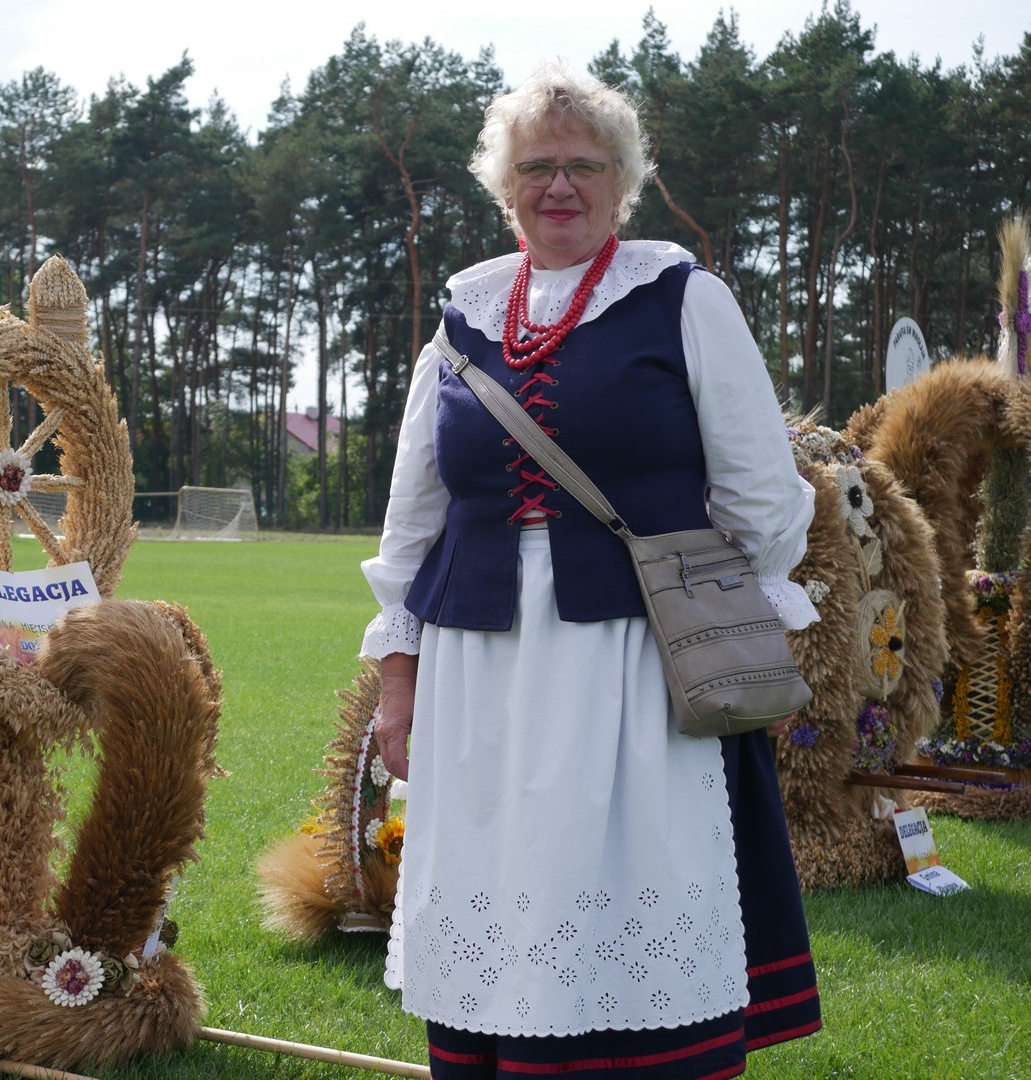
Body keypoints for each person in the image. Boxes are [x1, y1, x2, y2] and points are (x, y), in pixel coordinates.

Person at [362, 62, 821, 1079]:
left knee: (620, 875)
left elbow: (762, 494)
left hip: (630, 661)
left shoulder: (680, 298)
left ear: (624, 181)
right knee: (496, 877)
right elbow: (412, 518)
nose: (558, 186)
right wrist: (397, 678)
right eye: (536, 167)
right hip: (479, 670)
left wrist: (731, 624)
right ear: (502, 184)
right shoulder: (463, 318)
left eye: (582, 166)